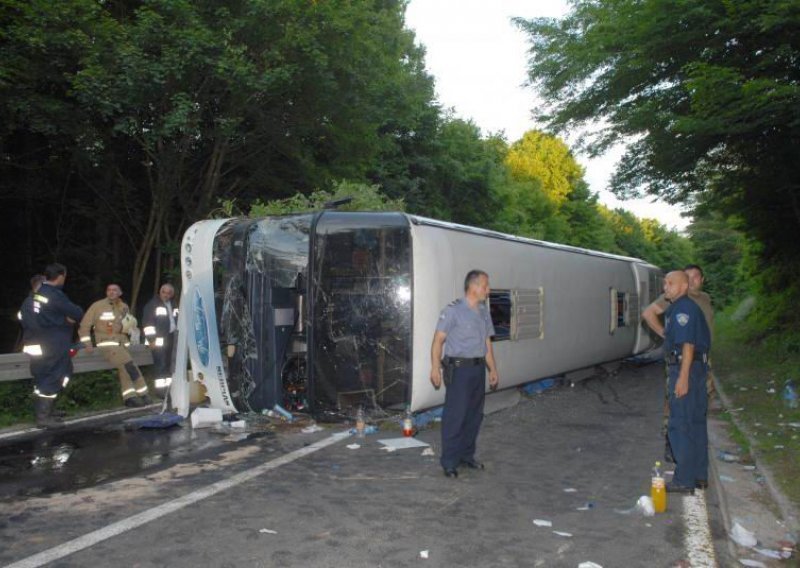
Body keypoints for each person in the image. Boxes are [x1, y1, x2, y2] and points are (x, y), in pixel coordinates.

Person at [642, 264, 714, 474]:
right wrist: (667, 334)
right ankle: (677, 451)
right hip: (686, 361)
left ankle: (691, 469)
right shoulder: (676, 302)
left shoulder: (703, 300)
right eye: (688, 278)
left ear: (701, 280)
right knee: (680, 411)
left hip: (700, 362)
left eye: (695, 278)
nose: (692, 281)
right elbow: (648, 314)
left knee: (695, 413)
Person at [430, 269, 500, 478]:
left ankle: (466, 456)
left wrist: (493, 369)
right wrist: (435, 367)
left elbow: (486, 342)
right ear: (474, 286)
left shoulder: (483, 312)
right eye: (485, 286)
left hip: (478, 369)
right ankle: (450, 461)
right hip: (459, 370)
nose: (488, 291)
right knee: (456, 416)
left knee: (473, 416)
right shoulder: (453, 310)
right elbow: (438, 341)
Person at [25, 264, 84, 428]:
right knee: (54, 376)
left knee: (46, 376)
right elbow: (77, 312)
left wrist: (61, 319)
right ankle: (43, 417)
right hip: (54, 342)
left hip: (44, 341)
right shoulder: (55, 295)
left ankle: (47, 411)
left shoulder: (38, 294)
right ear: (60, 276)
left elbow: (43, 316)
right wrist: (65, 319)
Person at [79, 283, 152, 407]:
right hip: (107, 344)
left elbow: (127, 326)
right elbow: (84, 325)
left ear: (120, 293)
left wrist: (132, 330)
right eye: (109, 290)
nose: (111, 292)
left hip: (122, 345)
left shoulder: (123, 307)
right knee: (129, 365)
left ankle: (134, 396)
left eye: (114, 290)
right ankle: (140, 395)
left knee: (126, 367)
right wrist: (87, 343)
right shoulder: (97, 306)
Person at [141, 283, 179, 392]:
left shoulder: (174, 304)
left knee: (168, 365)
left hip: (171, 338)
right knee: (160, 365)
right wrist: (151, 340)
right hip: (157, 341)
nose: (166, 295)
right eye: (164, 292)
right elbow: (148, 324)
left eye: (169, 293)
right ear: (160, 292)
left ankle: (168, 390)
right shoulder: (152, 304)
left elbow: (177, 320)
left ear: (172, 295)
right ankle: (160, 391)